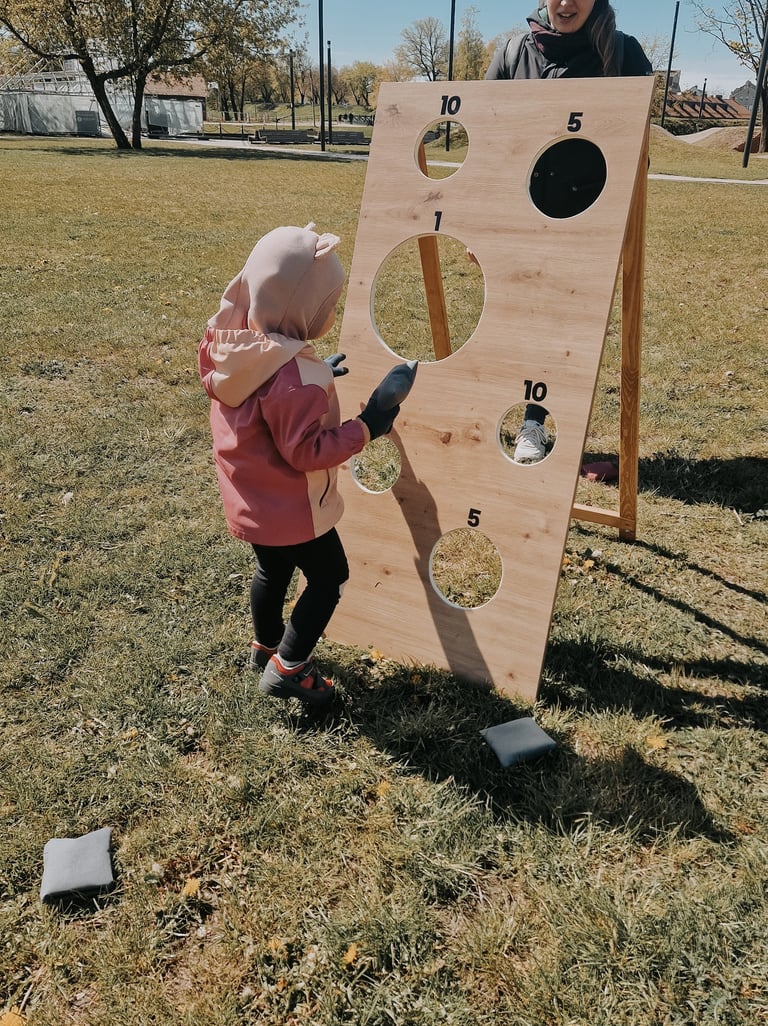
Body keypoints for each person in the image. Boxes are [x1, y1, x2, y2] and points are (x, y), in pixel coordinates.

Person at [199, 224, 399, 706]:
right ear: (308, 309)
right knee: (329, 578)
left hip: (252, 500)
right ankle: (288, 668)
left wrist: (315, 369)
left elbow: (270, 389)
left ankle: (264, 647)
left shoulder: (235, 347)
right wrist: (368, 425)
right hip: (293, 510)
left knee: (272, 572)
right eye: (325, 304)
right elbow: (306, 450)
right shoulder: (295, 379)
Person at [486, 0, 652, 463]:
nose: (565, 3)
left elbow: (637, 154)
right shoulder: (513, 53)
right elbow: (488, 144)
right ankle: (502, 419)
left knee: (559, 329)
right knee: (514, 324)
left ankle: (533, 425)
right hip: (520, 221)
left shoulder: (624, 55)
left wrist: (618, 226)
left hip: (584, 223)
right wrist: (481, 225)